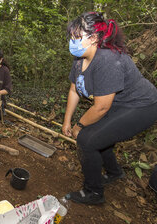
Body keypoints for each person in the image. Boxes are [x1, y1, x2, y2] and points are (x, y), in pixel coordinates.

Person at [62, 12, 157, 205]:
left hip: (142, 105)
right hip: (118, 104)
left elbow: (102, 107)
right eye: (71, 37)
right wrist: (67, 120)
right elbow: (74, 90)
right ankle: (115, 172)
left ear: (94, 38)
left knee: (87, 140)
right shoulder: (79, 60)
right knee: (97, 135)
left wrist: (79, 125)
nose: (73, 42)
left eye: (77, 37)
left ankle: (94, 193)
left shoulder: (107, 60)